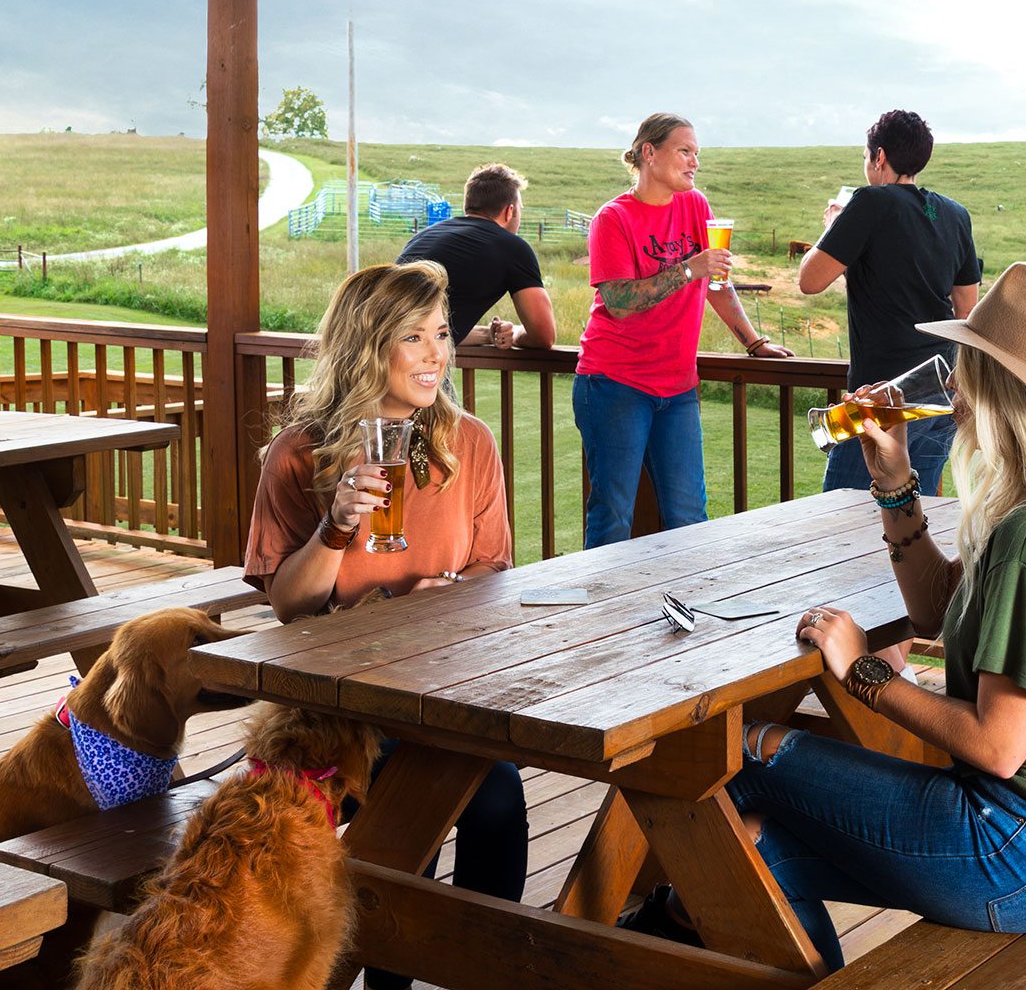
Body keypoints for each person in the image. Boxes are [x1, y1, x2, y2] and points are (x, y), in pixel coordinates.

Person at [627, 263, 1026, 972]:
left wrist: (862, 670)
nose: (951, 383)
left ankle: (648, 922)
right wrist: (892, 479)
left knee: (736, 752)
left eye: (966, 366)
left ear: (1002, 391)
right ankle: (679, 912)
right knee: (753, 847)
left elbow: (997, 746)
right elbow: (934, 610)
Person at [241, 261, 528, 990]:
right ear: (369, 346)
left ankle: (485, 966)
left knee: (495, 796)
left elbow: (496, 572)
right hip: (338, 702)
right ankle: (391, 977)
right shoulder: (299, 455)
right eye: (413, 337)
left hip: (445, 684)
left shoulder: (469, 443)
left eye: (441, 335)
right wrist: (337, 528)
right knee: (425, 792)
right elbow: (289, 607)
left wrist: (450, 595)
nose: (437, 354)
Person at [575, 112, 794, 548]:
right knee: (613, 513)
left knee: (689, 514)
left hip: (676, 387)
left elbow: (716, 283)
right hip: (614, 382)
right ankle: (603, 614)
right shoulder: (613, 218)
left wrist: (754, 342)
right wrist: (689, 267)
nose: (694, 162)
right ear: (648, 153)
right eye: (685, 151)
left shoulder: (696, 206)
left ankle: (690, 610)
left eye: (697, 153)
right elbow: (618, 302)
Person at [799, 109, 981, 496]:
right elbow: (966, 308)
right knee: (915, 512)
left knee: (844, 513)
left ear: (879, 157)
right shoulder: (955, 214)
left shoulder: (870, 202)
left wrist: (833, 228)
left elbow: (809, 280)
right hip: (941, 390)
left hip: (881, 397)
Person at [397, 163, 557, 350]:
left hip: (371, 356)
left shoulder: (424, 236)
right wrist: (516, 334)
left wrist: (489, 335)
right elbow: (543, 336)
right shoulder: (512, 248)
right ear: (509, 211)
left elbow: (410, 328)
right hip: (416, 364)